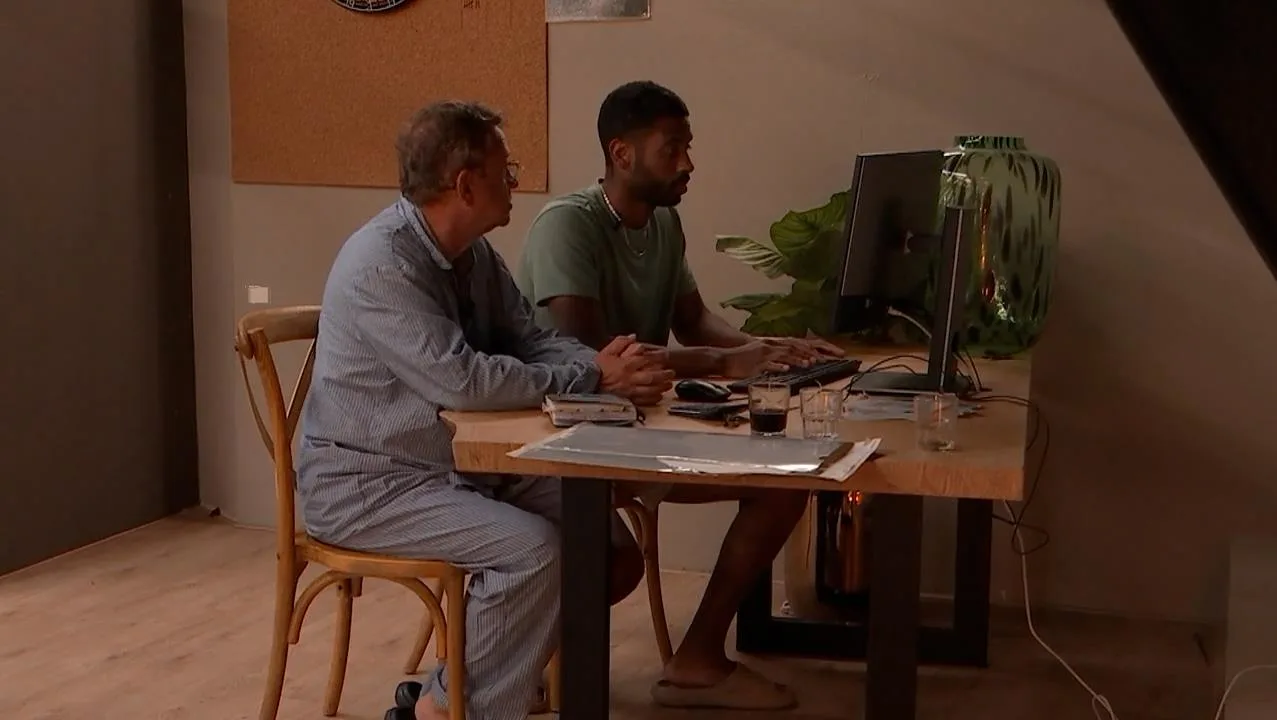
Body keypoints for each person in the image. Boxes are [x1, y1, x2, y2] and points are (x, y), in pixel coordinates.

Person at [296, 100, 671, 720]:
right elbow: (462, 381)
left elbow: (531, 338)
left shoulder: (474, 255)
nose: (515, 183)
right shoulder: (381, 265)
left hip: (456, 466)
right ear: (466, 185)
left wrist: (602, 363)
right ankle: (457, 708)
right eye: (507, 171)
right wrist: (592, 375)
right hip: (368, 482)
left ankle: (456, 690)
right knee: (533, 550)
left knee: (606, 549)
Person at [516, 80, 842, 711]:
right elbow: (589, 356)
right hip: (564, 440)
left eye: (687, 146)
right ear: (622, 153)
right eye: (673, 148)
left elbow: (693, 322)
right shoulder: (567, 226)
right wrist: (723, 361)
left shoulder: (664, 222)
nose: (688, 162)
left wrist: (765, 348)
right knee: (614, 558)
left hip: (636, 431)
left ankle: (697, 660)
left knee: (781, 483)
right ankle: (508, 660)